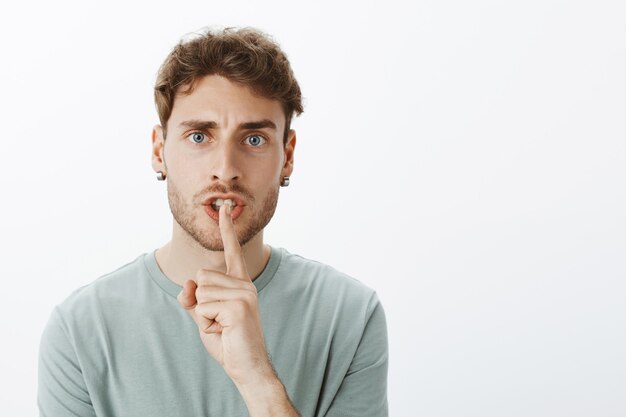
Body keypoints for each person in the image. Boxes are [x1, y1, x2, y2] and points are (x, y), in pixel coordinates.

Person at [38, 27, 388, 417]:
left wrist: (256, 377)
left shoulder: (350, 315)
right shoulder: (81, 331)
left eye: (254, 139)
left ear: (287, 156)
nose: (225, 170)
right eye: (200, 137)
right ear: (159, 150)